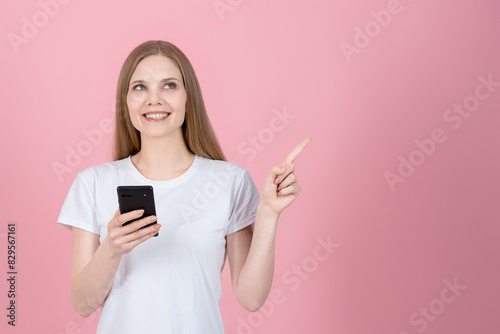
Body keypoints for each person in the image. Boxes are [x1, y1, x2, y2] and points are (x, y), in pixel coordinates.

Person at [57, 40, 310, 333]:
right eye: (140, 87)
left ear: (189, 97)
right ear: (125, 100)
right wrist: (112, 247)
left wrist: (268, 213)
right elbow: (83, 304)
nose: (154, 99)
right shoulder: (93, 183)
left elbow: (251, 298)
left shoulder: (230, 181)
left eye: (169, 86)